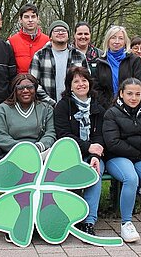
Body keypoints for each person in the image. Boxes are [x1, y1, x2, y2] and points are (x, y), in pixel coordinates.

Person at [102, 78, 141, 243]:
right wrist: (138, 146)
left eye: (138, 94)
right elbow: (113, 143)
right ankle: (126, 223)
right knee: (131, 178)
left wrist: (130, 139)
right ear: (121, 94)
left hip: (139, 157)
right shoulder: (112, 113)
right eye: (129, 93)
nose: (134, 98)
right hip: (117, 157)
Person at [54, 67, 105, 236]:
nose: (81, 84)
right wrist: (87, 147)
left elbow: (100, 135)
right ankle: (71, 217)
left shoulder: (98, 107)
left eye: (84, 80)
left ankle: (89, 221)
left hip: (94, 155)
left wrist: (95, 155)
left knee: (94, 172)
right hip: (70, 153)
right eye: (76, 81)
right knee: (74, 173)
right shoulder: (63, 106)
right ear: (69, 86)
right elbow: (63, 135)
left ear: (89, 83)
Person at [0, 73, 56, 156]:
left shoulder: (46, 109)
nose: (25, 90)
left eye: (30, 87)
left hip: (40, 153)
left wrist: (38, 147)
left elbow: (51, 133)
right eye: (20, 88)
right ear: (14, 90)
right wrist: (23, 149)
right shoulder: (3, 109)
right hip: (12, 153)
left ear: (35, 88)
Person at [29, 20, 87, 107]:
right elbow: (33, 83)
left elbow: (87, 82)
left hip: (74, 107)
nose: (60, 33)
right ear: (50, 36)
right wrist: (50, 102)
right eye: (56, 30)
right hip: (46, 107)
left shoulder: (79, 56)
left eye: (64, 31)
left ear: (68, 36)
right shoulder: (40, 55)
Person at [93, 26, 141, 109]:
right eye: (113, 38)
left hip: (129, 107)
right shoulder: (100, 62)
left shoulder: (134, 60)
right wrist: (106, 105)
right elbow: (96, 88)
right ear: (108, 40)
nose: (117, 41)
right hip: (106, 108)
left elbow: (140, 85)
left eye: (120, 38)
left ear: (125, 42)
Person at [8, 3, 50, 74]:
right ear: (20, 19)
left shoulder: (48, 42)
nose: (30, 20)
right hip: (19, 83)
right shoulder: (11, 42)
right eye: (26, 17)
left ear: (38, 19)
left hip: (42, 83)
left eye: (33, 17)